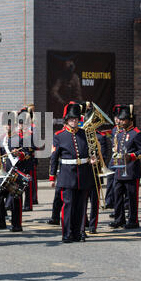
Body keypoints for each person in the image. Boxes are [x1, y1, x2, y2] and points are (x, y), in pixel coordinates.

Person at [49, 102, 95, 243]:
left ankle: (79, 232)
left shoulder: (84, 134)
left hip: (83, 174)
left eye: (76, 119)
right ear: (66, 120)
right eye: (71, 119)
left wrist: (93, 158)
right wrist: (52, 177)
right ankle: (67, 234)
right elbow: (54, 158)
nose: (74, 121)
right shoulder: (59, 136)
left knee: (81, 206)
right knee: (68, 206)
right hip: (67, 175)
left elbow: (91, 152)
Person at [109, 104, 141, 229]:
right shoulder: (120, 133)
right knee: (117, 196)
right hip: (119, 170)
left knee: (131, 198)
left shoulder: (136, 134)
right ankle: (119, 219)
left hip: (131, 171)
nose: (120, 122)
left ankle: (133, 220)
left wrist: (131, 156)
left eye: (123, 120)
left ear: (130, 120)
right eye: (120, 120)